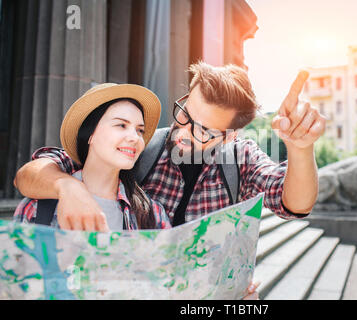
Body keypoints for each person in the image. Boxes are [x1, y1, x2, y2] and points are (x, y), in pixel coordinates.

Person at [14, 62, 326, 231]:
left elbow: (295, 204)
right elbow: (33, 173)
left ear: (230, 136)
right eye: (185, 114)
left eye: (204, 131)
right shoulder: (139, 143)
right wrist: (69, 188)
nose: (185, 133)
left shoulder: (240, 158)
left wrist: (300, 148)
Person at [13, 83, 171, 231]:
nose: (135, 138)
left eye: (139, 130)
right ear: (90, 135)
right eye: (121, 125)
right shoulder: (37, 207)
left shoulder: (153, 216)